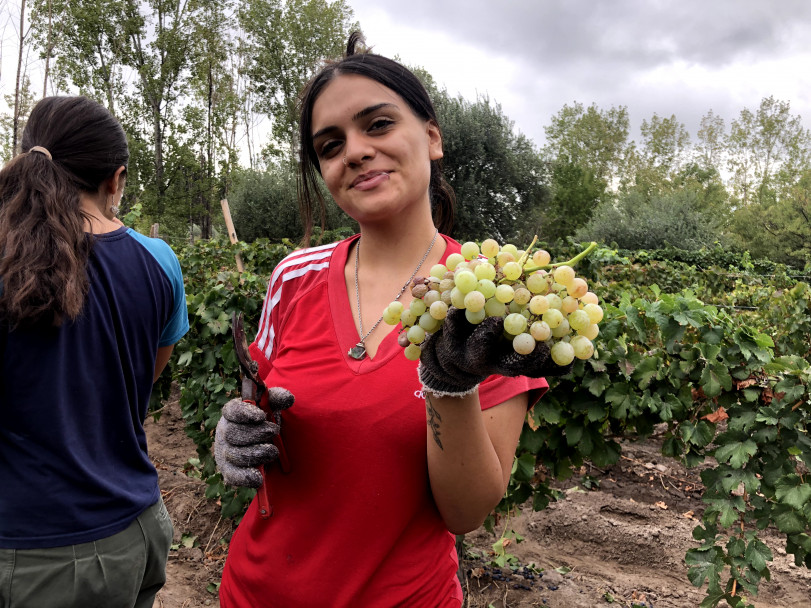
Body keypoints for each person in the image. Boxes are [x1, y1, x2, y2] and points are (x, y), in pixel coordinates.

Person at [213, 33, 569, 607]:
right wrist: (232, 435)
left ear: (431, 136)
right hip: (252, 592)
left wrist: (449, 386)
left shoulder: (497, 296)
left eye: (376, 125)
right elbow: (257, 408)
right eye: (330, 146)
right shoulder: (292, 278)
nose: (353, 151)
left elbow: (466, 511)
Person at [0, 96, 189, 608]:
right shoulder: (159, 261)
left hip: (29, 552)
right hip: (135, 529)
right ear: (115, 179)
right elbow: (145, 379)